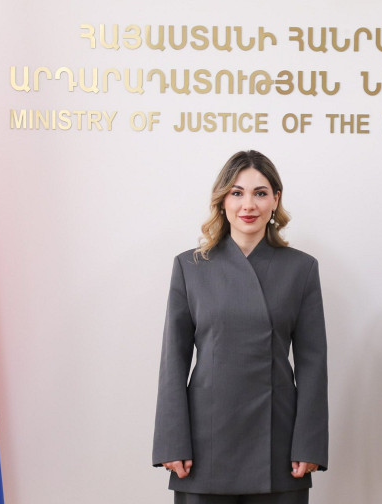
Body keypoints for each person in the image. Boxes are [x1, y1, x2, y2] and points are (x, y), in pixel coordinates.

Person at [153, 150, 328, 504]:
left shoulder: (301, 268)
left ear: (275, 200)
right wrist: (172, 441)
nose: (248, 205)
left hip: (278, 444)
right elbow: (173, 360)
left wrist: (309, 443)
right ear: (222, 201)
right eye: (237, 193)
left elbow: (313, 363)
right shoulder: (190, 267)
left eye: (260, 193)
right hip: (205, 442)